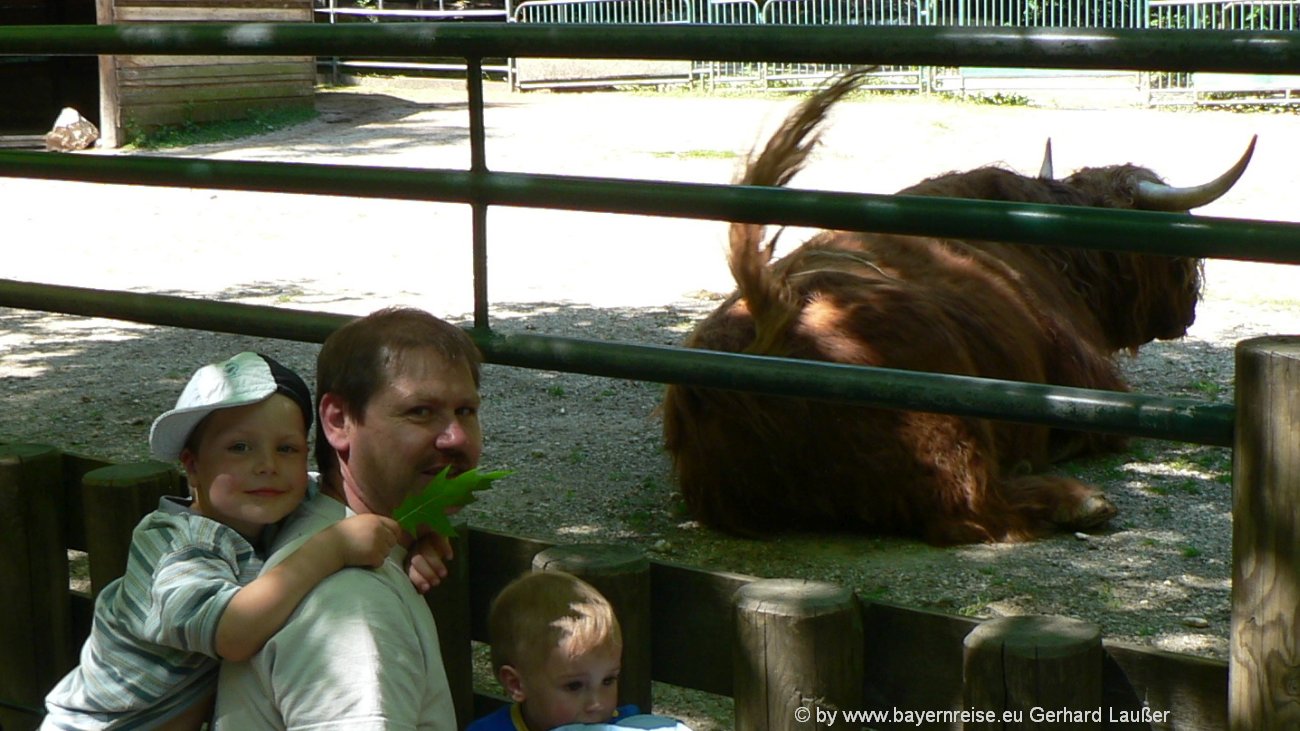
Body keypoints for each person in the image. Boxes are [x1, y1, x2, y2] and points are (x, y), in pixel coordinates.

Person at [41, 351, 408, 731]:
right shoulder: (177, 545)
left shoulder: (279, 500)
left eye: (287, 448)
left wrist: (416, 540)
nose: (268, 464)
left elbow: (365, 505)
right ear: (193, 466)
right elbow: (231, 633)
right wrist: (332, 548)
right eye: (239, 447)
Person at [214, 307, 482, 730]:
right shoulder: (354, 609)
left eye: (466, 411)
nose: (458, 437)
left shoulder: (315, 523)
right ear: (338, 421)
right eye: (421, 412)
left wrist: (413, 535)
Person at [470, 571, 692, 731]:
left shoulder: (624, 724)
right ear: (516, 684)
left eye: (608, 680)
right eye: (574, 686)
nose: (598, 704)